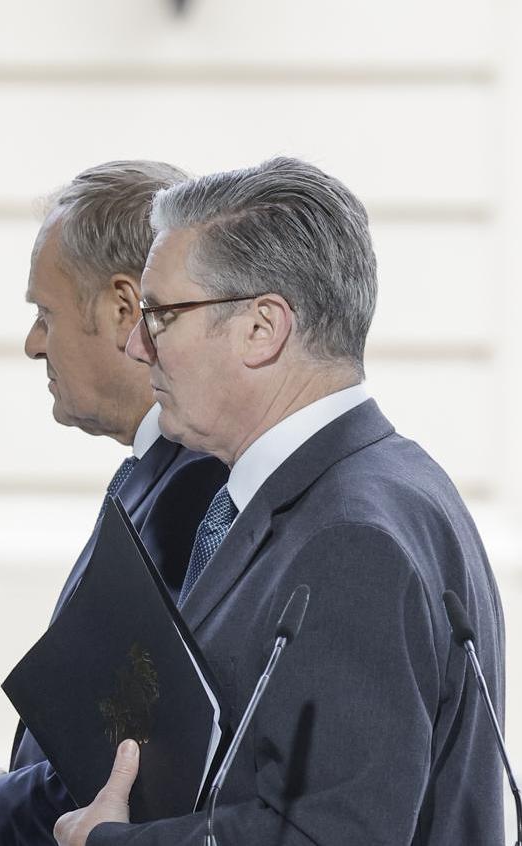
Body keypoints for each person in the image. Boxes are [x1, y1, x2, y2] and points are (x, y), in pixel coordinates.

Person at [52, 157, 505, 845]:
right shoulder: (371, 486)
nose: (137, 344)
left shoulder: (354, 540)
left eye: (161, 315)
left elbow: (328, 833)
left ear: (263, 329)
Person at [0, 161, 226, 845]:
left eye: (46, 313)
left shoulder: (199, 488)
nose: (33, 342)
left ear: (125, 309)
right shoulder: (159, 470)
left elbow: (146, 747)